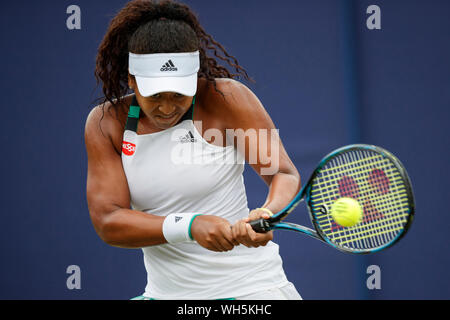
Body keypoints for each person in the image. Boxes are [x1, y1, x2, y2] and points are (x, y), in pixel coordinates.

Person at [85, 0, 302, 300]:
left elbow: (282, 172)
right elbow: (109, 221)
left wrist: (267, 213)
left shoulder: (226, 99)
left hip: (251, 292)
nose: (166, 106)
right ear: (132, 80)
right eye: (155, 95)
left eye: (179, 94)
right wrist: (189, 226)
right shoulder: (106, 124)